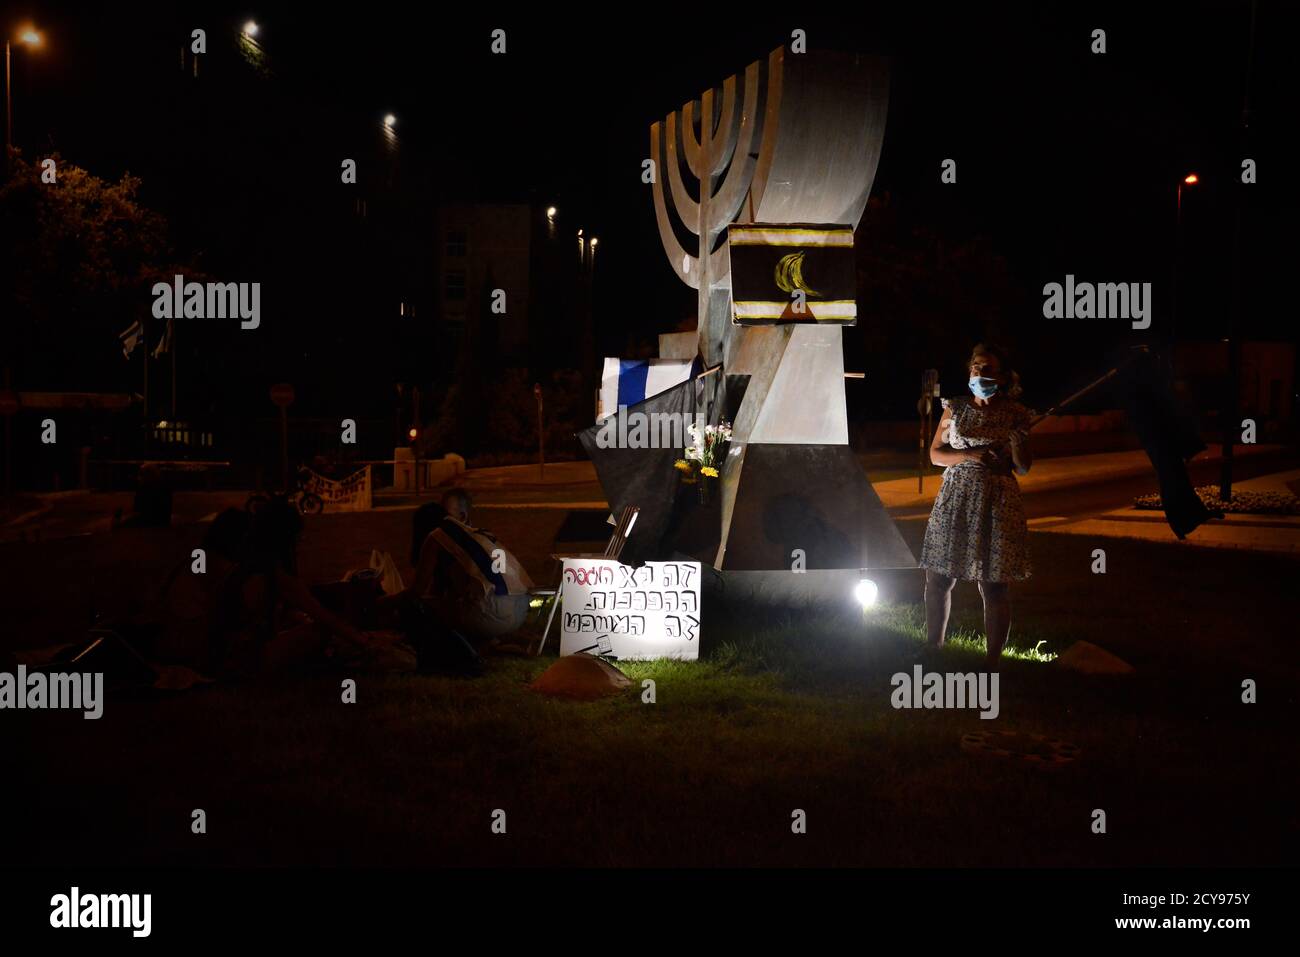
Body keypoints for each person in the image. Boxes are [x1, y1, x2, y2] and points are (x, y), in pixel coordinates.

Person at [919, 343, 1033, 666]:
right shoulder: (954, 408)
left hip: (997, 502)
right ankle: (933, 648)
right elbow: (935, 454)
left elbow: (1023, 467)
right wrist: (968, 455)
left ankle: (992, 662)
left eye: (987, 369)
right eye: (975, 367)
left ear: (1001, 377)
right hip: (956, 499)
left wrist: (1018, 445)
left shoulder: (1016, 414)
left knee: (994, 584)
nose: (979, 373)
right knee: (939, 575)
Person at [211, 497, 373, 677]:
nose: (299, 543)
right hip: (244, 660)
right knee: (319, 632)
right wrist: (365, 642)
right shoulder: (273, 573)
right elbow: (322, 616)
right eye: (297, 537)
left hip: (224, 654)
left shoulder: (245, 565)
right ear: (284, 537)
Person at [383, 501, 534, 647]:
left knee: (415, 607)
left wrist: (386, 601)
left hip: (491, 615)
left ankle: (467, 641)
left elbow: (416, 591)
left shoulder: (436, 536)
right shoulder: (478, 534)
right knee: (449, 602)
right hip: (520, 612)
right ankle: (485, 640)